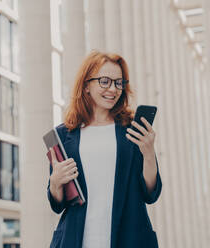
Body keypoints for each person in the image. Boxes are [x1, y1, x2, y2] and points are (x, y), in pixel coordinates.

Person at [46, 50, 162, 248]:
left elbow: (150, 193)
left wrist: (149, 153)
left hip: (129, 238)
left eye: (118, 83)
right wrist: (55, 182)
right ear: (86, 86)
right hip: (76, 240)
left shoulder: (132, 130)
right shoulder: (63, 135)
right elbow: (58, 205)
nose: (113, 89)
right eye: (105, 81)